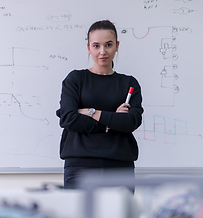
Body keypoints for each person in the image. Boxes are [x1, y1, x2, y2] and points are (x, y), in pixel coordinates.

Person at [56, 20, 144, 189]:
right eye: (96, 46)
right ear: (88, 47)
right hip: (80, 167)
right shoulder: (75, 79)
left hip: (120, 166)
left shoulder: (129, 84)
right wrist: (112, 121)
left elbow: (131, 122)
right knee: (78, 216)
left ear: (117, 46)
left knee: (120, 216)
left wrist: (92, 112)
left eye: (108, 45)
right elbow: (68, 118)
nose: (102, 51)